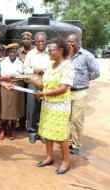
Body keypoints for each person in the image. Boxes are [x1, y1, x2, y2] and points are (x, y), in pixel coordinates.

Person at [25, 39, 75, 174]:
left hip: (60, 106)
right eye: (48, 50)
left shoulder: (67, 66)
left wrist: (43, 94)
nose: (49, 52)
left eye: (52, 50)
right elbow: (44, 85)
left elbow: (63, 88)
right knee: (47, 131)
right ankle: (49, 157)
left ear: (61, 51)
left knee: (60, 134)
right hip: (48, 104)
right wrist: (33, 81)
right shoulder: (50, 64)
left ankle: (65, 161)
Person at [67, 34, 100, 154]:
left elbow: (96, 72)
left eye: (72, 42)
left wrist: (84, 79)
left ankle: (75, 145)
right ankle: (69, 141)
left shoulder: (86, 55)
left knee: (77, 119)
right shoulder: (66, 55)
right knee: (67, 118)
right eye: (68, 41)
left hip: (80, 91)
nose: (70, 44)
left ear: (78, 42)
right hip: (66, 92)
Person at [24, 32, 50, 143]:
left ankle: (43, 132)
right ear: (35, 42)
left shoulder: (50, 53)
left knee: (45, 109)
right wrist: (34, 70)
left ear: (46, 41)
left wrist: (45, 70)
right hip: (33, 83)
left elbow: (55, 67)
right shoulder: (30, 54)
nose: (41, 43)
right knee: (32, 108)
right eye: (38, 41)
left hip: (47, 84)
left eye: (43, 41)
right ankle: (32, 132)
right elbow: (25, 68)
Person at [0, 43, 25, 140]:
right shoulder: (2, 62)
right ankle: (3, 129)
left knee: (15, 111)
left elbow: (24, 76)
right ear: (7, 53)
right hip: (5, 86)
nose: (12, 53)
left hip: (17, 86)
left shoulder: (21, 63)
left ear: (17, 52)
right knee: (4, 110)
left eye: (14, 51)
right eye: (10, 52)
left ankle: (13, 129)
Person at [17, 31, 34, 131]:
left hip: (33, 80)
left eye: (28, 38)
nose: (26, 40)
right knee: (22, 101)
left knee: (33, 103)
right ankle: (22, 123)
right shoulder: (18, 51)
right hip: (22, 80)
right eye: (24, 39)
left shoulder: (35, 51)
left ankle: (33, 124)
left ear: (31, 40)